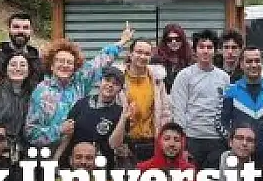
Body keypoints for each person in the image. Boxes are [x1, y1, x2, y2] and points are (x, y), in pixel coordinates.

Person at [25, 25, 131, 148]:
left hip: (79, 150)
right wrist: (59, 130)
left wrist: (121, 42)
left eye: (69, 62)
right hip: (50, 152)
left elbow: (101, 60)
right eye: (60, 61)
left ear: (74, 67)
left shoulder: (80, 82)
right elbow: (31, 133)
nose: (65, 65)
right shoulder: (41, 91)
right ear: (51, 66)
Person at [170, 29, 231, 170]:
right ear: (195, 50)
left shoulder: (224, 77)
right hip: (192, 138)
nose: (205, 51)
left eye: (209, 47)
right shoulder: (184, 76)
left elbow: (226, 110)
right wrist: (182, 142)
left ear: (215, 51)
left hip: (217, 139)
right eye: (201, 47)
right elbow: (178, 110)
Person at [221, 46, 263, 164]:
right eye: (249, 61)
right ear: (241, 64)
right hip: (241, 152)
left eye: (257, 61)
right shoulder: (231, 92)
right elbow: (224, 122)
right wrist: (233, 142)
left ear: (262, 63)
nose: (253, 65)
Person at [124, 122, 203, 181]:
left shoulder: (188, 170)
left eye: (177, 140)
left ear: (182, 144)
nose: (172, 144)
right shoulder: (142, 168)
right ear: (159, 142)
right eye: (167, 139)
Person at [57, 66, 128, 168]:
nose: (110, 85)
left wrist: (124, 113)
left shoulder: (120, 113)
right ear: (100, 81)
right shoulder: (81, 104)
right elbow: (67, 136)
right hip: (74, 165)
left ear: (120, 89)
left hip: (101, 167)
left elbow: (114, 145)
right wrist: (55, 160)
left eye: (116, 84)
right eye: (107, 80)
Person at [117, 38, 172, 166]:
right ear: (130, 54)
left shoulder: (157, 80)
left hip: (151, 142)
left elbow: (165, 112)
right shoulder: (119, 79)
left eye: (147, 54)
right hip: (126, 143)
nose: (142, 56)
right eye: (139, 52)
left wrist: (164, 139)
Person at [0, 12, 43, 90]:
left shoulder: (38, 63)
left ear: (31, 31)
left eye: (25, 28)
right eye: (16, 27)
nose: (21, 31)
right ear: (9, 29)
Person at [153, 23, 192, 92]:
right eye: (169, 39)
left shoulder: (190, 59)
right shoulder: (156, 59)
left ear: (182, 40)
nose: (173, 42)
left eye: (177, 39)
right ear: (165, 41)